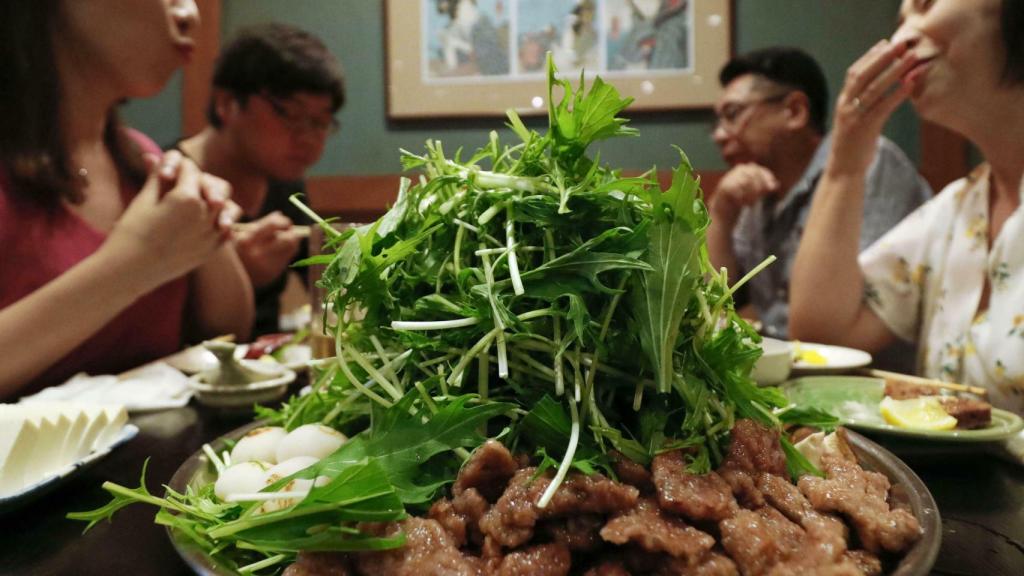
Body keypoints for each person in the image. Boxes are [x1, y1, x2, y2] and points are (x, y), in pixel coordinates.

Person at [0, 0, 253, 399]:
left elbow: (227, 330)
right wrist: (139, 260)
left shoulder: (141, 158)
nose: (190, 14)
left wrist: (206, 232)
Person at [789, 0, 1024, 413]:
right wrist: (847, 159)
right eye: (899, 22)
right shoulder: (957, 210)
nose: (898, 40)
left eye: (925, 5)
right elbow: (824, 334)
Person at [707, 46, 932, 343]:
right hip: (790, 372)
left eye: (733, 114)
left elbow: (852, 313)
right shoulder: (755, 187)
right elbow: (716, 299)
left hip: (867, 378)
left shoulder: (866, 162)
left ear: (795, 111)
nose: (719, 135)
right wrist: (721, 214)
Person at [174, 23, 345, 336]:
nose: (308, 137)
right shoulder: (171, 179)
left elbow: (330, 294)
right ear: (227, 103)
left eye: (320, 122)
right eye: (290, 114)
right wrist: (231, 281)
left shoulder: (286, 186)